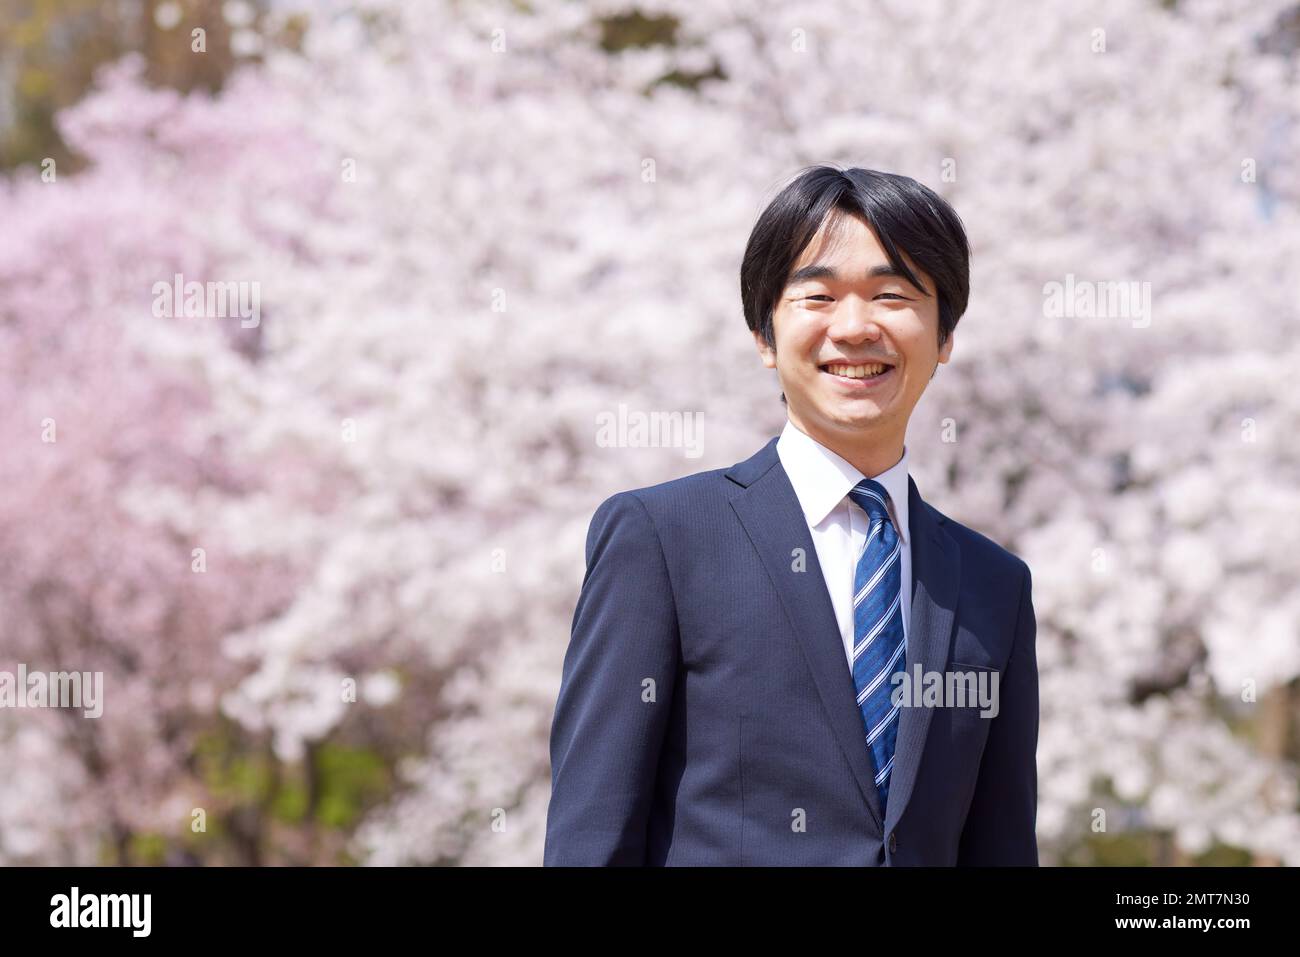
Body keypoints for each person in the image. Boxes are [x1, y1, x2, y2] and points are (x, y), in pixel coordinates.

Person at [544, 165, 1038, 866]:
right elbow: (592, 836)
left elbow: (1002, 844)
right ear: (765, 335)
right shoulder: (664, 540)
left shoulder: (994, 585)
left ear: (945, 334)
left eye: (893, 294)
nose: (856, 326)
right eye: (818, 295)